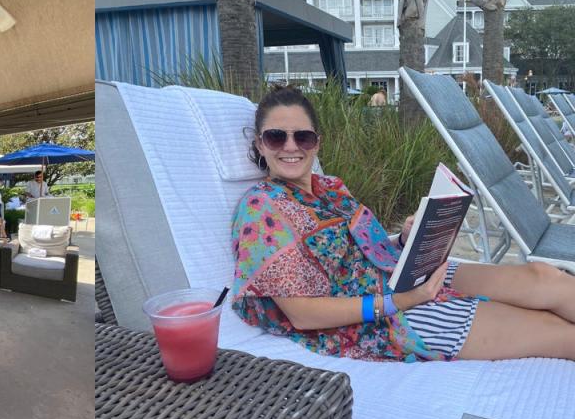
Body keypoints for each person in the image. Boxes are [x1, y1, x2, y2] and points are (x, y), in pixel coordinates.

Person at [232, 86, 575, 362]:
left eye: (302, 137)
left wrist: (403, 240)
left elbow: (366, 249)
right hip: (379, 319)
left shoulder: (331, 188)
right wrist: (403, 301)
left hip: (403, 275)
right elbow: (303, 315)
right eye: (277, 137)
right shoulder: (263, 208)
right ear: (260, 144)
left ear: (316, 143)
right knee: (560, 334)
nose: (291, 147)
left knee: (543, 276)